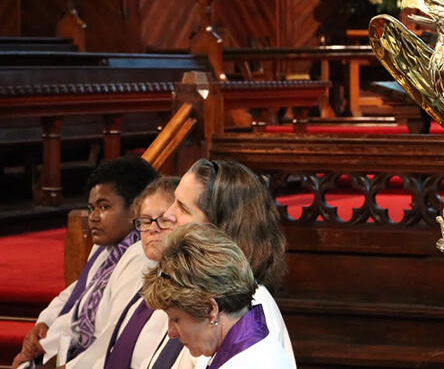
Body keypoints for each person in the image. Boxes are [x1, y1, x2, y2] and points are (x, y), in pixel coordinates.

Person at [142, 158, 294, 368]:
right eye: (173, 202)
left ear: (218, 227)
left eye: (183, 209)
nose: (167, 215)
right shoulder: (190, 289)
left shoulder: (242, 307)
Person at [12, 157, 159, 369]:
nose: (93, 217)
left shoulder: (141, 257)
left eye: (104, 207)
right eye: (91, 208)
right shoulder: (105, 246)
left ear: (136, 209)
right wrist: (44, 322)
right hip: (62, 349)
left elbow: (114, 337)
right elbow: (78, 290)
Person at [143, 223, 293, 368]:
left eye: (176, 319)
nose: (171, 333)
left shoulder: (247, 362)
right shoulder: (254, 349)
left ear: (210, 309)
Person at [88, 176, 178, 369]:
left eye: (163, 220)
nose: (152, 229)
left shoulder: (187, 294)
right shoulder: (149, 283)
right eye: (145, 221)